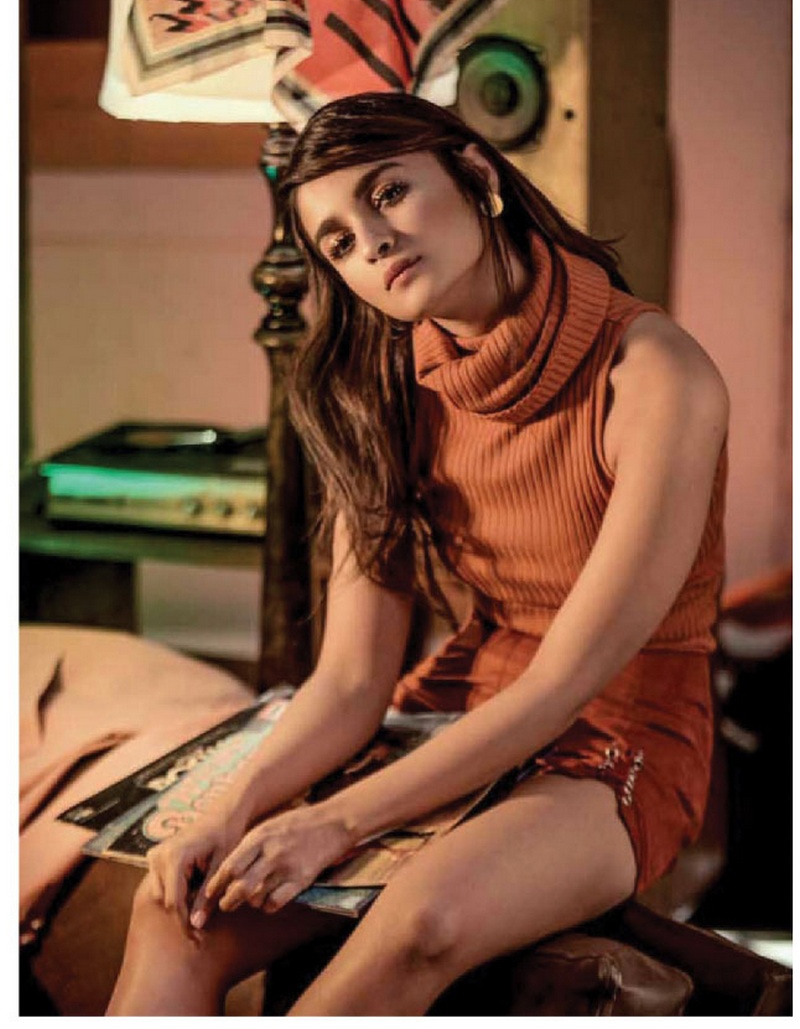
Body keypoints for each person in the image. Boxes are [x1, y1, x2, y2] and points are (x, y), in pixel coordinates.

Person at [107, 92, 728, 1016]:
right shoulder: (380, 385)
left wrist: (333, 821)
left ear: (475, 175)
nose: (374, 243)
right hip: (460, 696)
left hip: (622, 724)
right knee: (176, 911)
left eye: (389, 193)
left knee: (419, 921)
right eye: (339, 243)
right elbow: (354, 676)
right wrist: (231, 807)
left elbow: (564, 682)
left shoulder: (658, 373)